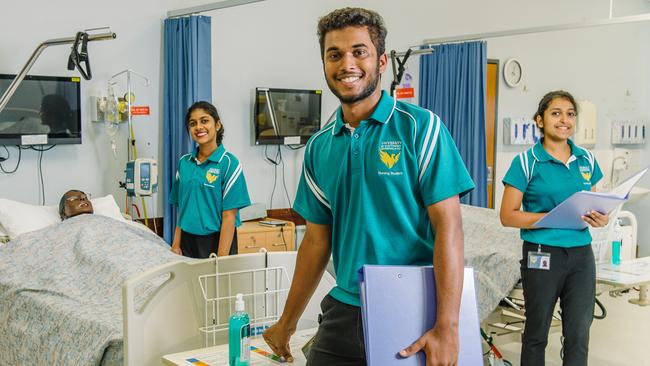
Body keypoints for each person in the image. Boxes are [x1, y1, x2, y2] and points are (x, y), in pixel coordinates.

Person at [263, 7, 475, 365]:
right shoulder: (319, 147)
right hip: (344, 309)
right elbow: (316, 242)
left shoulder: (420, 129)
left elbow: (449, 228)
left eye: (359, 51)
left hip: (412, 307)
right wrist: (286, 322)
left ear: (382, 62)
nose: (347, 64)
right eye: (335, 54)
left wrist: (447, 326)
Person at [500, 90, 609, 366]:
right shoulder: (526, 162)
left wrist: (601, 218)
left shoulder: (586, 160)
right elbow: (507, 216)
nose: (564, 120)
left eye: (570, 114)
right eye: (556, 113)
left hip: (581, 256)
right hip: (542, 253)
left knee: (579, 334)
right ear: (540, 120)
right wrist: (549, 217)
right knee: (537, 333)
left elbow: (595, 204)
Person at [169, 101, 251, 259]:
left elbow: (229, 217)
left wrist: (221, 259)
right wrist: (175, 244)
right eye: (193, 123)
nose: (199, 127)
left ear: (217, 125)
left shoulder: (229, 164)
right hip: (187, 242)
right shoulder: (184, 163)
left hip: (217, 243)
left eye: (204, 121)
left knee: (217, 285)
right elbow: (182, 208)